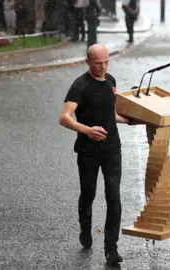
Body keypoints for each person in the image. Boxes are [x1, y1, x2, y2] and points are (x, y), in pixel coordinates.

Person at [59, 44, 137, 266]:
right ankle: (85, 228)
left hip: (112, 149)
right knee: (88, 194)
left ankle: (111, 247)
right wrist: (88, 130)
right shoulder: (80, 86)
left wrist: (130, 120)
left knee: (114, 197)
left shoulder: (111, 81)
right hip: (88, 152)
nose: (102, 67)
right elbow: (64, 117)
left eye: (106, 62)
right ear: (88, 62)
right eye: (98, 63)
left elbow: (111, 114)